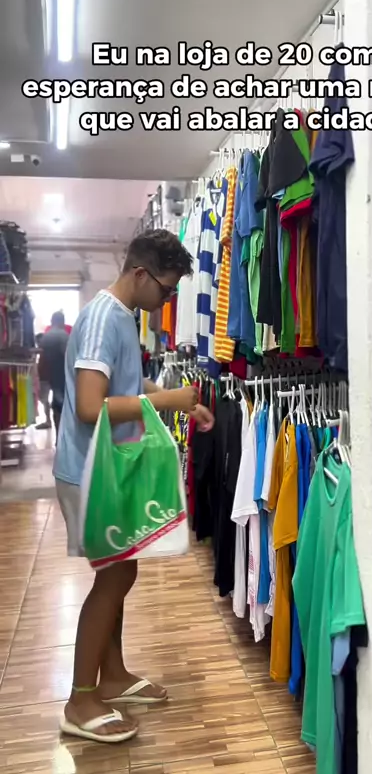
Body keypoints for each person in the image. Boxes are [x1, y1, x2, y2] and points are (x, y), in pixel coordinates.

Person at [53, 229, 215, 744]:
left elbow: (120, 385)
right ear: (140, 274)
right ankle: (80, 698)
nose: (168, 300)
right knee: (115, 576)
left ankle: (113, 676)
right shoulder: (105, 317)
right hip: (89, 469)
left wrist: (176, 398)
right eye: (166, 289)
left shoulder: (122, 316)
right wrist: (165, 402)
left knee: (120, 571)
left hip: (107, 466)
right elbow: (89, 405)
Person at [36, 313, 70, 434]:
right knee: (60, 405)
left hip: (46, 374)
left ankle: (50, 422)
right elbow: (67, 356)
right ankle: (61, 433)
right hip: (61, 375)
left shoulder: (46, 336)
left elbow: (42, 356)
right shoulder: (64, 336)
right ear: (62, 321)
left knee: (47, 400)